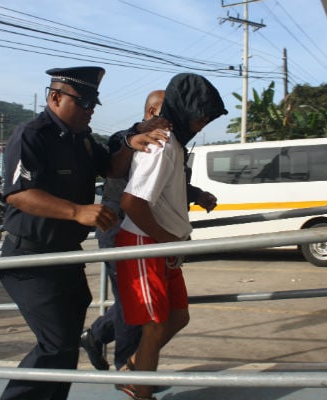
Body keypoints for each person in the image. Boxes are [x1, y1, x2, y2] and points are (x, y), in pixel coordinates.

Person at [0, 66, 168, 400]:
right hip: (29, 258)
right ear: (55, 97)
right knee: (56, 344)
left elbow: (112, 167)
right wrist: (76, 211)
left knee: (65, 348)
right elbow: (18, 193)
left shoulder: (83, 140)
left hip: (65, 257)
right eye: (83, 100)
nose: (90, 109)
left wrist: (133, 143)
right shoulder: (32, 134)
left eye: (93, 103)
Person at [80, 90, 218, 375]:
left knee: (152, 308)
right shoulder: (130, 139)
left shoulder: (170, 143)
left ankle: (104, 342)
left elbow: (166, 186)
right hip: (121, 229)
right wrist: (134, 135)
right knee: (138, 308)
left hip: (150, 232)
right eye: (165, 113)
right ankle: (127, 372)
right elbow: (121, 149)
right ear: (152, 113)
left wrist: (196, 194)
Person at [114, 73, 227, 400]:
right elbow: (131, 202)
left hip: (164, 244)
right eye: (200, 114)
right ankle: (141, 391)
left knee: (178, 316)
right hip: (144, 242)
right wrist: (165, 240)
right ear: (183, 109)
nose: (204, 122)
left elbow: (165, 195)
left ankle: (134, 369)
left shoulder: (176, 145)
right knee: (155, 325)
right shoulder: (161, 145)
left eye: (208, 116)